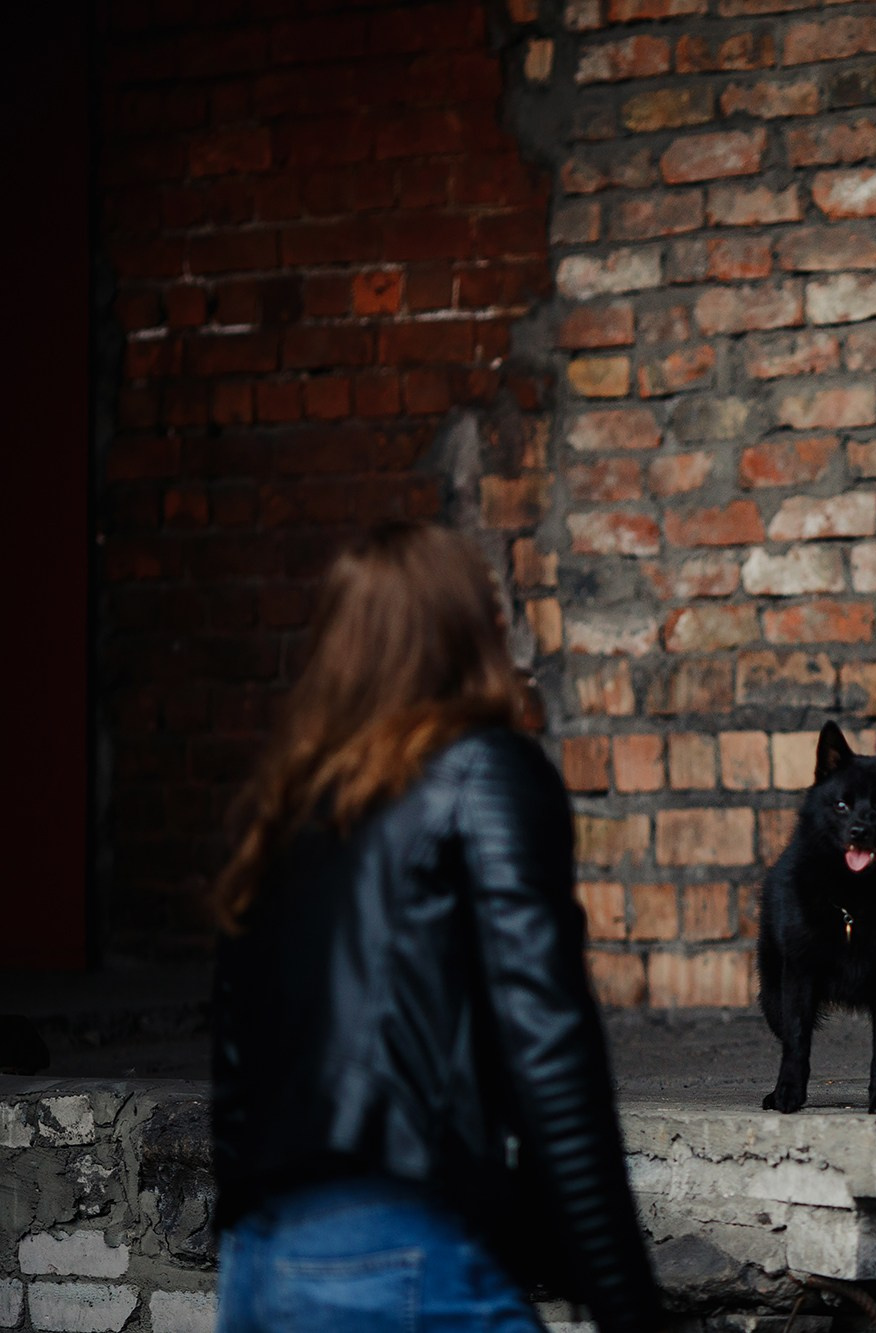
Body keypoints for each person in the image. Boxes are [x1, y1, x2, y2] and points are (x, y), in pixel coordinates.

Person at [209, 522, 660, 1332]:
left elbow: (236, 1088)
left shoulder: (281, 814)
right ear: (472, 630)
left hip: (259, 1265)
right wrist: (629, 1307)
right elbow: (549, 1048)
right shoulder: (483, 770)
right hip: (401, 1260)